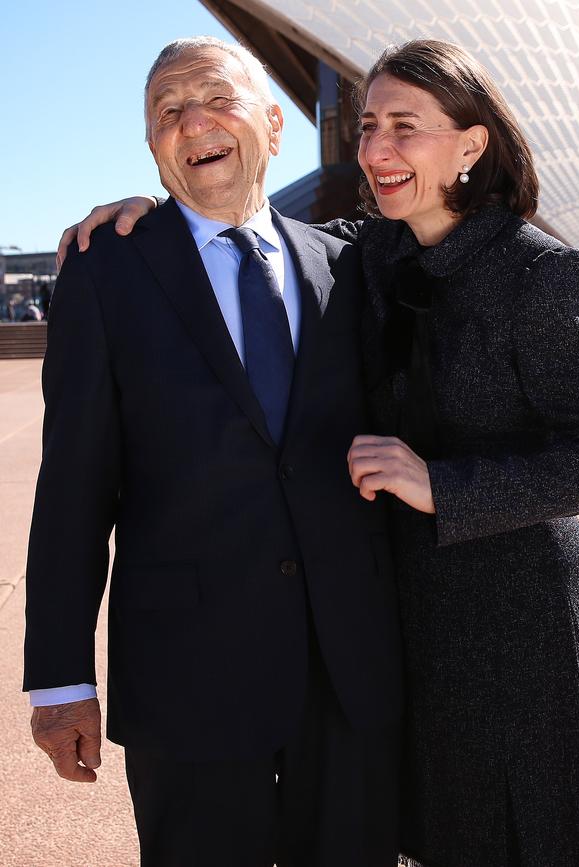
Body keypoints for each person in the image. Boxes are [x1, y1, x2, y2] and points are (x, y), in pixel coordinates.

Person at [58, 38, 579, 867]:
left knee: (519, 833)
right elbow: (228, 228)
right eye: (369, 126)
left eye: (408, 125)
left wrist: (442, 484)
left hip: (507, 621)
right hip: (388, 626)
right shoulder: (369, 255)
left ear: (472, 145)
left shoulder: (531, 269)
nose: (377, 149)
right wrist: (141, 216)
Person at [24, 36, 404, 867]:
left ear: (273, 121)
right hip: (186, 674)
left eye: (215, 98)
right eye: (167, 110)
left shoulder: (350, 267)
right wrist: (60, 681)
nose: (192, 120)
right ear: (154, 147)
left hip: (346, 672)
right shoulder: (106, 270)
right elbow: (72, 491)